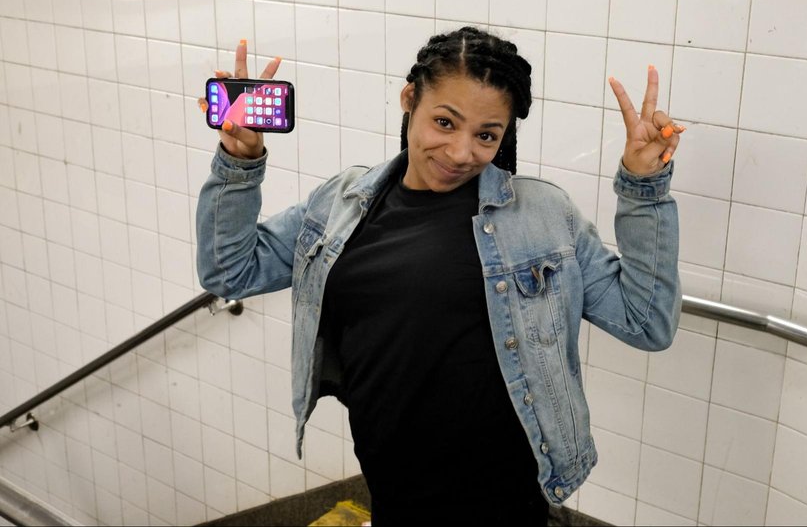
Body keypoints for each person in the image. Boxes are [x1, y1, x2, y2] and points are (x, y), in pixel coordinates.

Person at [195, 27, 684, 524]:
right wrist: (240, 161)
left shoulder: (542, 216)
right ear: (410, 99)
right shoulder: (340, 204)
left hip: (504, 506)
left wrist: (644, 189)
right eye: (445, 122)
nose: (460, 153)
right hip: (393, 497)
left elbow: (646, 322)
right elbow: (230, 272)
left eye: (486, 135)